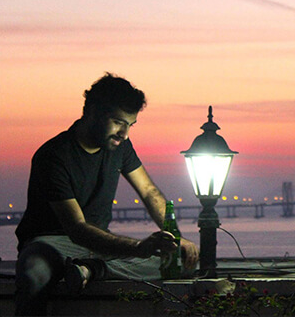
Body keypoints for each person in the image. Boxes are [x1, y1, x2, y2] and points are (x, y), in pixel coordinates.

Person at [14, 73, 199, 315]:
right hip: (51, 243)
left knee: (181, 263)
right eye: (118, 122)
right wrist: (138, 247)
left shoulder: (119, 147)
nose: (125, 134)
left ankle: (92, 269)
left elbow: (149, 191)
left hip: (97, 247)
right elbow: (77, 228)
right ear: (91, 111)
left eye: (130, 125)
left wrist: (175, 239)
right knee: (33, 273)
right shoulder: (54, 156)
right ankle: (92, 268)